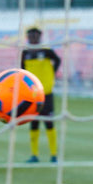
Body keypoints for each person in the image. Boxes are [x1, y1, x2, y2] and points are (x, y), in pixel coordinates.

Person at [20, 26, 62, 163]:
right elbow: (22, 71)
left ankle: (54, 154)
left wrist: (51, 74)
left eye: (35, 36)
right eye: (30, 36)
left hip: (47, 92)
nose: (32, 38)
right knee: (34, 123)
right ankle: (34, 155)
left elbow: (58, 60)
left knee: (49, 122)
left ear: (39, 37)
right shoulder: (25, 53)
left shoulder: (47, 51)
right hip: (32, 94)